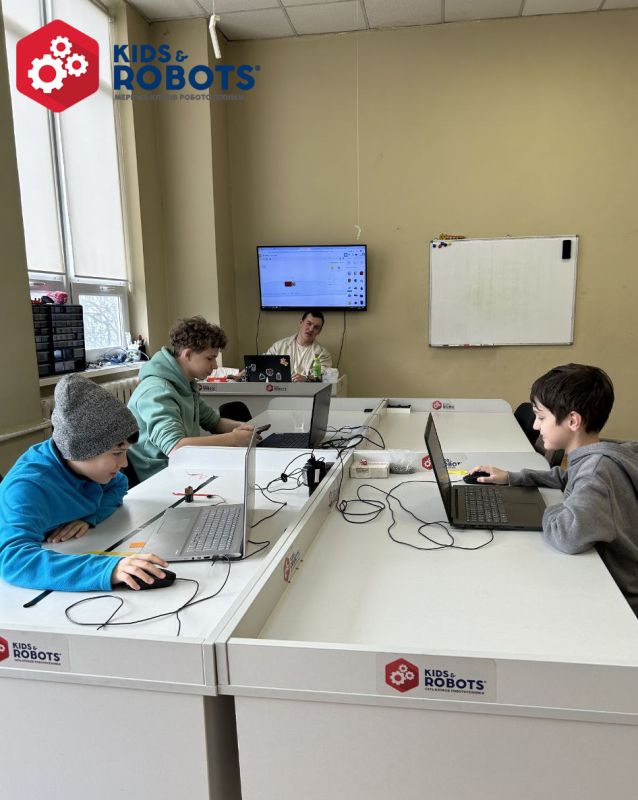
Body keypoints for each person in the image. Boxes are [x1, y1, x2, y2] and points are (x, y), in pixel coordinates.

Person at [469, 364, 638, 615]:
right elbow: (568, 478)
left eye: (541, 417)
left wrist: (548, 508)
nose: (536, 427)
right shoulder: (600, 455)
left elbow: (566, 535)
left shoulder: (596, 473)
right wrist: (513, 477)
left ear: (572, 421)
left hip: (619, 598)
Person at [0, 375, 169, 592]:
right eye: (117, 453)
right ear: (81, 450)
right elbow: (14, 559)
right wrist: (109, 570)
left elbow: (119, 486)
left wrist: (89, 518)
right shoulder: (28, 487)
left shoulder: (89, 470)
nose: (124, 463)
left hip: (64, 549)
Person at [127, 316, 254, 482]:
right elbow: (176, 448)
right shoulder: (157, 391)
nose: (215, 366)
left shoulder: (186, 383)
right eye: (210, 358)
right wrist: (234, 439)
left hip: (184, 468)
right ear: (187, 354)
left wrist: (245, 429)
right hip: (159, 478)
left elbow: (213, 422)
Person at [266, 309, 332, 382]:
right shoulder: (278, 346)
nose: (311, 329)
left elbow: (323, 377)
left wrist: (306, 379)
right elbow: (265, 366)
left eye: (316, 327)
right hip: (280, 388)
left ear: (319, 331)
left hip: (307, 389)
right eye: (308, 323)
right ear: (301, 323)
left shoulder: (323, 354)